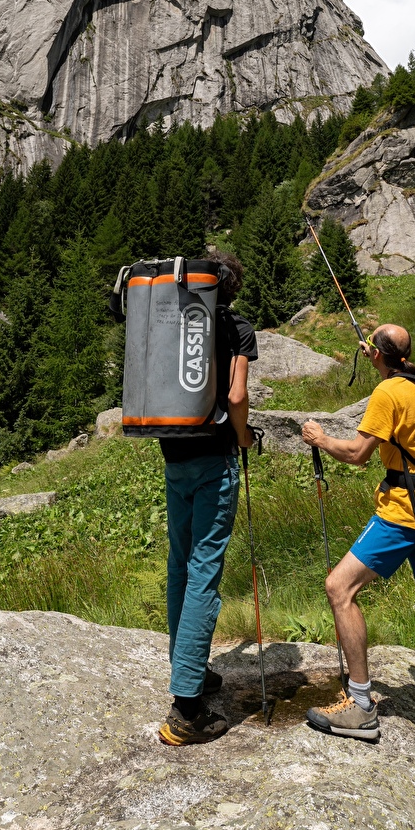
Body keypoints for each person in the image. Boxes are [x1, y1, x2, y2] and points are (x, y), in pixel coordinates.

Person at [300, 323, 415, 761]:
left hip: (404, 512)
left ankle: (360, 706)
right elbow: (390, 360)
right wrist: (380, 355)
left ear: (377, 357)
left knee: (339, 588)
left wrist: (321, 438)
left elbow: (358, 455)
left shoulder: (387, 395)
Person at [157, 250, 258, 747]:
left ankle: (188, 666)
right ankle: (187, 709)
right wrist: (243, 438)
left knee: (180, 563)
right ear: (230, 289)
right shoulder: (237, 329)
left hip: (172, 453)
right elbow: (236, 398)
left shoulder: (170, 317)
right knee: (204, 571)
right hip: (214, 458)